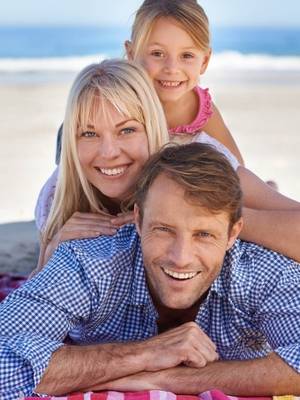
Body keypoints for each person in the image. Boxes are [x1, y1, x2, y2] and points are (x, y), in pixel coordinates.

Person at [2, 143, 300, 399]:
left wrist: (170, 379)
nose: (181, 258)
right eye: (164, 229)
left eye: (204, 235)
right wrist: (145, 354)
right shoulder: (89, 261)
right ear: (138, 218)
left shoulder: (262, 269)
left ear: (233, 234)